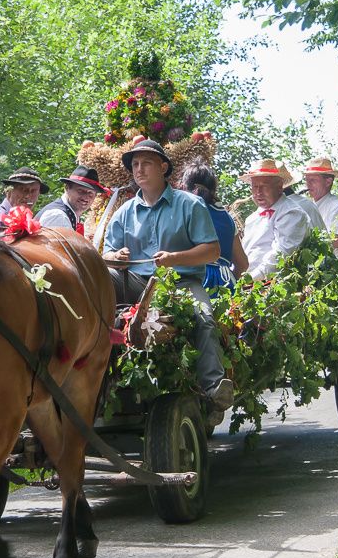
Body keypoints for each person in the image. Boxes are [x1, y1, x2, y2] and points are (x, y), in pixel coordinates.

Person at [103, 138, 233, 413]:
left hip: (181, 284)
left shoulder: (190, 204)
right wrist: (116, 257)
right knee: (97, 283)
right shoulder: (124, 212)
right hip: (135, 283)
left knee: (204, 318)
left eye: (146, 163)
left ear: (163, 167)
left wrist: (175, 258)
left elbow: (212, 251)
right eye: (135, 164)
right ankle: (95, 377)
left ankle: (213, 387)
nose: (139, 169)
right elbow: (106, 255)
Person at [180, 160, 249, 291]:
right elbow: (242, 264)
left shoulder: (183, 214)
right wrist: (230, 279)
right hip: (225, 283)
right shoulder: (227, 219)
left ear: (183, 188)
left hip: (194, 282)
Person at [240, 159, 311, 280]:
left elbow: (282, 254)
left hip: (273, 285)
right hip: (248, 282)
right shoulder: (252, 218)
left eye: (264, 186)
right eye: (255, 186)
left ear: (279, 187)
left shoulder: (292, 213)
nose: (258, 192)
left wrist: (251, 279)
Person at [302, 157, 338, 263]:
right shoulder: (308, 206)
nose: (307, 184)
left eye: (312, 180)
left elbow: (337, 241)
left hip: (336, 271)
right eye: (306, 180)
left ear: (328, 182)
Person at [36, 165, 109, 233]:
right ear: (67, 188)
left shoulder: (69, 213)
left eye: (90, 193)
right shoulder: (58, 216)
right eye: (80, 190)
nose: (85, 197)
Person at [0, 167, 49, 231]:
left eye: (33, 191)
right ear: (9, 191)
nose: (28, 196)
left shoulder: (30, 221)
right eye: (23, 190)